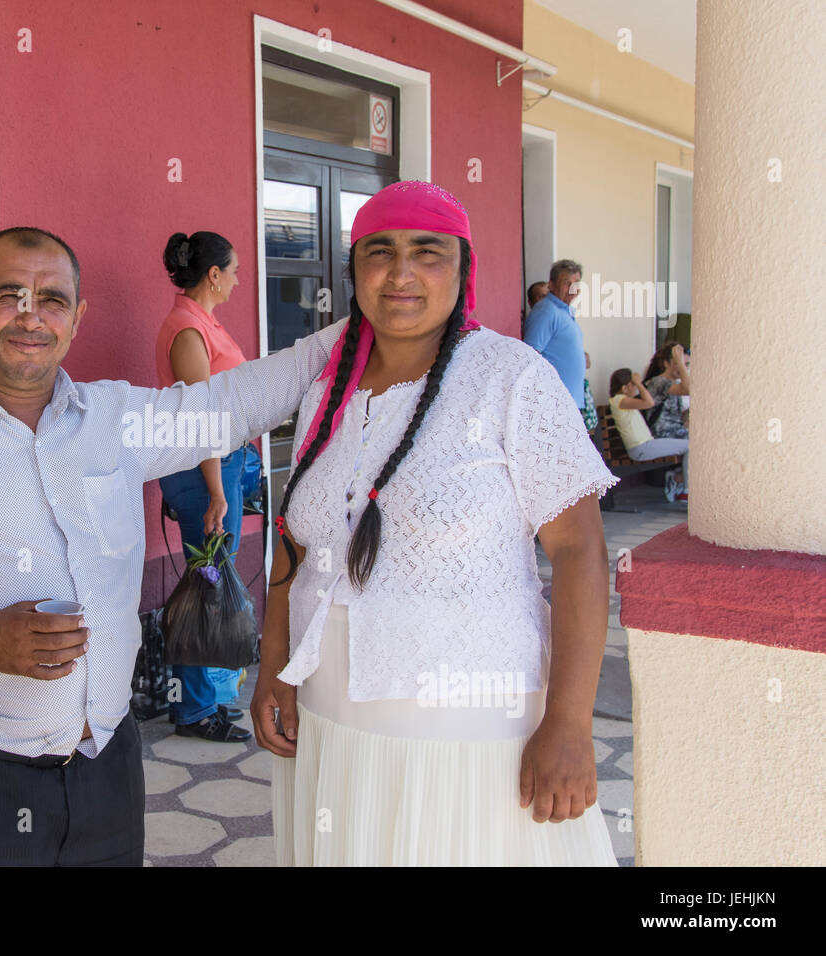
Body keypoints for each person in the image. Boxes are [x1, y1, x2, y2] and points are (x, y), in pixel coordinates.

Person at [0, 226, 347, 866]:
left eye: (53, 299)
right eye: (7, 294)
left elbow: (232, 403)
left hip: (105, 765)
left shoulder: (115, 420)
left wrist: (366, 323)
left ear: (77, 317)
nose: (30, 315)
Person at [251, 181, 619, 866]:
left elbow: (580, 553)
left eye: (429, 252)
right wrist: (274, 665)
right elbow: (296, 543)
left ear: (463, 269)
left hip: (468, 733)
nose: (401, 273)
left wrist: (569, 721)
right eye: (379, 252)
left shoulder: (512, 379)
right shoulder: (327, 391)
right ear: (354, 269)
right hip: (330, 725)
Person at [155, 231, 251, 742]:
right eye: (233, 270)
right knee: (206, 582)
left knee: (211, 579)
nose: (237, 280)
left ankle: (204, 699)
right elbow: (202, 419)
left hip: (221, 466)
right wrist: (217, 490)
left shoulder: (202, 323)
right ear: (213, 275)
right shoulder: (187, 329)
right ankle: (194, 709)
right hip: (202, 471)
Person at [608, 367, 689, 502]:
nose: (637, 388)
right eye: (633, 385)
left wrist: (637, 383)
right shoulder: (620, 400)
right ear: (625, 388)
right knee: (689, 446)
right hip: (641, 448)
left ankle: (680, 481)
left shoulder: (622, 400)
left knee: (690, 445)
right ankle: (685, 488)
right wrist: (640, 383)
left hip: (646, 445)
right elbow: (649, 403)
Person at [523, 259, 585, 409]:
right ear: (551, 284)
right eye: (566, 283)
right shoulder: (546, 310)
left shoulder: (564, 311)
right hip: (553, 405)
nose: (572, 288)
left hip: (567, 403)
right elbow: (529, 356)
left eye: (575, 283)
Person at [642, 342, 691, 439]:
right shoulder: (658, 382)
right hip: (661, 435)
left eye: (687, 364)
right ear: (666, 364)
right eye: (678, 363)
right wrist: (681, 365)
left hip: (674, 433)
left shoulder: (675, 384)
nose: (684, 368)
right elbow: (688, 389)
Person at [581, 351, 598, 433]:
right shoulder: (580, 383)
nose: (589, 361)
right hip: (586, 427)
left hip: (592, 424)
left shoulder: (585, 382)